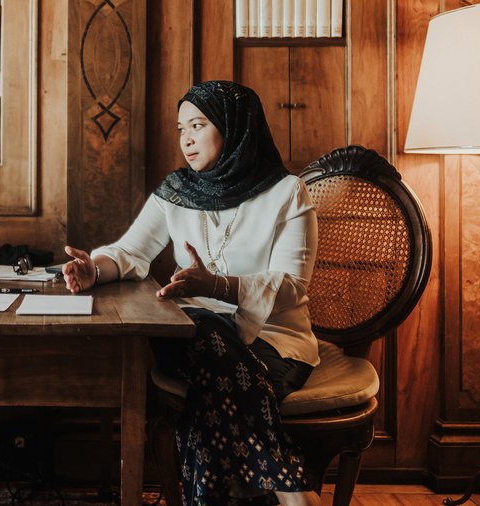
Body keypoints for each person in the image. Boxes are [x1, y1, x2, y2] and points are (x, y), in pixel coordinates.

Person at [62, 80, 321, 505]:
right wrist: (94, 268)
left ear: (235, 128)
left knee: (210, 385)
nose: (186, 139)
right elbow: (130, 251)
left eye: (198, 126)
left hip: (273, 342)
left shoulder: (286, 192)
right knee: (198, 327)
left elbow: (292, 287)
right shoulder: (177, 190)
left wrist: (218, 286)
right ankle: (290, 489)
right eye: (181, 128)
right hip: (192, 334)